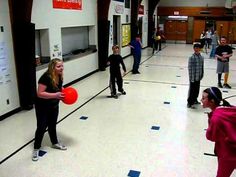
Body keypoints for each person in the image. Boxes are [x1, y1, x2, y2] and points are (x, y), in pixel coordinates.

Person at [32, 58, 67, 161]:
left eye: (62, 66)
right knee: (41, 127)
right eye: (58, 66)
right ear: (53, 67)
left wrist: (63, 91)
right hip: (42, 107)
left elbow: (58, 87)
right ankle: (36, 148)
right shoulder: (45, 77)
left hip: (54, 105)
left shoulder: (59, 76)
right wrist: (55, 95)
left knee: (52, 125)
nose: (61, 68)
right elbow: (40, 93)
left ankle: (55, 142)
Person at [201, 87, 236, 177]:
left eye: (204, 98)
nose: (201, 100)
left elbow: (211, 136)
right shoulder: (230, 109)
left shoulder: (216, 117)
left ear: (212, 101)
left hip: (228, 154)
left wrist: (210, 118)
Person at [187, 43, 204, 109]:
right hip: (193, 78)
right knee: (192, 90)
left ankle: (195, 100)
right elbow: (190, 68)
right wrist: (191, 78)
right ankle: (189, 102)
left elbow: (202, 67)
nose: (197, 49)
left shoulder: (201, 57)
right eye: (195, 48)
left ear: (200, 49)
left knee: (197, 90)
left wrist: (202, 75)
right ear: (194, 49)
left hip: (198, 77)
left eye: (198, 48)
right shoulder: (191, 57)